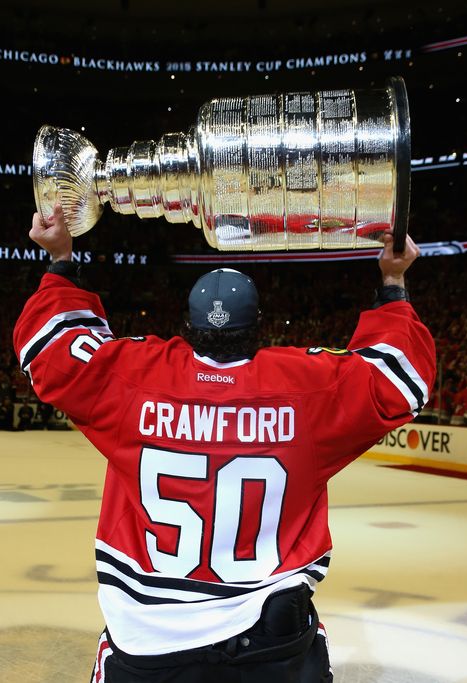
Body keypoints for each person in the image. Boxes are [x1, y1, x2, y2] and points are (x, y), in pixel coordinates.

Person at [13, 205, 436, 683]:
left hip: (148, 643)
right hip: (272, 644)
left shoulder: (137, 378)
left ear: (189, 326)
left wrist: (61, 260)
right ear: (257, 325)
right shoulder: (305, 390)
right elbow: (402, 376)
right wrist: (393, 284)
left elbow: (50, 348)